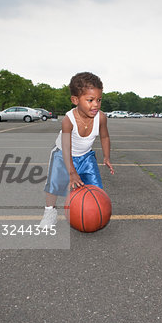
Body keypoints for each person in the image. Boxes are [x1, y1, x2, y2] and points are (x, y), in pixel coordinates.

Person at [39, 72, 114, 228]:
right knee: (54, 186)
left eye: (99, 100)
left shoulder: (101, 118)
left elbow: (105, 137)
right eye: (90, 100)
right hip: (63, 154)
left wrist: (106, 157)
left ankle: (93, 215)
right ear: (75, 100)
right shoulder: (68, 120)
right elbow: (66, 147)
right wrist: (72, 172)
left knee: (95, 190)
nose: (96, 104)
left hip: (86, 156)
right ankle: (49, 213)